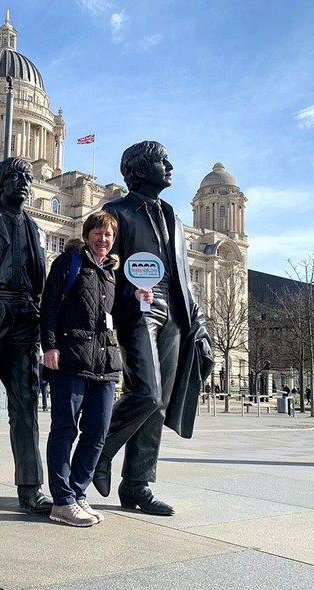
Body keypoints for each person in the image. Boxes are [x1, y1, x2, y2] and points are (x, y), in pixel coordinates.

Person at [92, 141, 212, 516]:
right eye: (163, 161)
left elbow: (183, 277)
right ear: (141, 170)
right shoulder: (116, 211)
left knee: (158, 403)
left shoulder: (173, 216)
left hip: (174, 312)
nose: (171, 165)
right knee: (145, 391)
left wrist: (200, 324)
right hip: (136, 307)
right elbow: (102, 262)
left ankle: (137, 485)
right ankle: (99, 452)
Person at [0, 157, 52, 513]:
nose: (23, 183)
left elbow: (40, 279)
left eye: (27, 178)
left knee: (25, 406)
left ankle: (31, 487)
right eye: (15, 177)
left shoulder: (34, 228)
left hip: (24, 317)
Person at [41, 212, 133, 527]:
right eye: (98, 233)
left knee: (97, 432)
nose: (103, 239)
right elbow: (49, 306)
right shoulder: (69, 263)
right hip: (71, 359)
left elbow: (119, 314)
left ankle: (79, 493)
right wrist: (49, 346)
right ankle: (62, 500)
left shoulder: (112, 273)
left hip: (106, 365)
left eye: (108, 235)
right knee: (65, 430)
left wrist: (141, 298)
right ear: (87, 234)